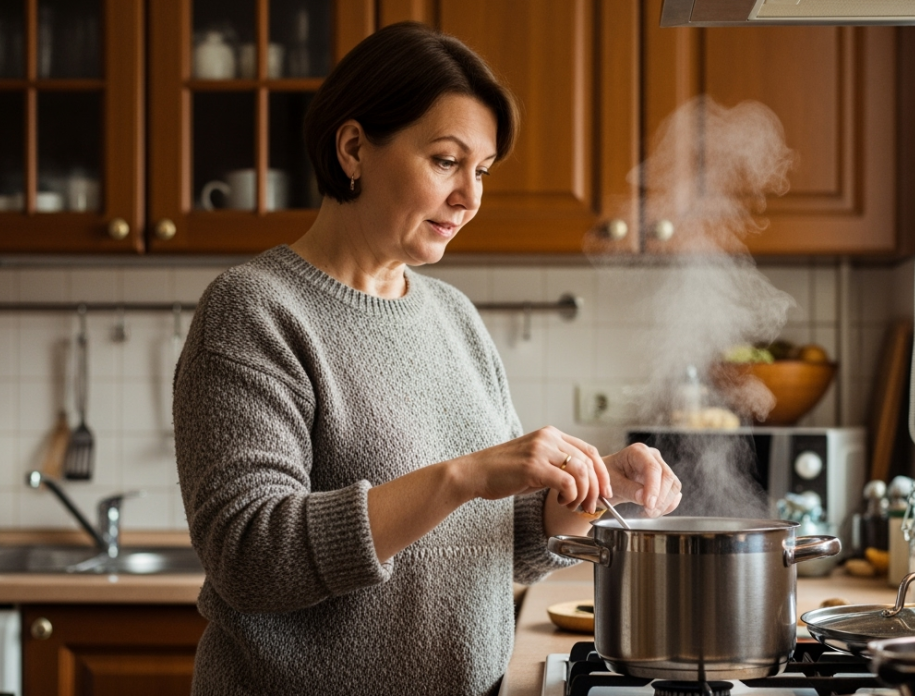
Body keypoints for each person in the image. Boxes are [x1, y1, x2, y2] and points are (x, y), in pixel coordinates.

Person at [173, 22, 682, 696]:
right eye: (446, 161)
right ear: (354, 148)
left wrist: (586, 493)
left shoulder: (453, 316)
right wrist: (463, 476)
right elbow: (250, 559)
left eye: (482, 172)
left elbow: (498, 539)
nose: (470, 197)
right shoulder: (255, 310)